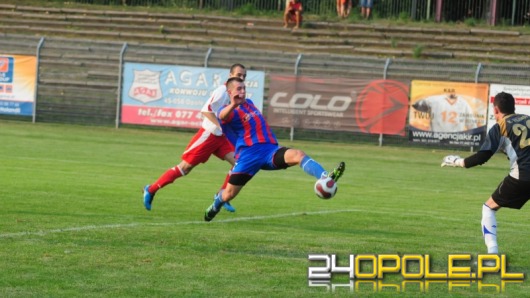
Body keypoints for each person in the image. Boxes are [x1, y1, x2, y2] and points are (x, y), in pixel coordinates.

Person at [203, 77, 346, 221]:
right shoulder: (227, 110)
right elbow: (222, 116)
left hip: (269, 151)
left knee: (298, 154)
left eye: (244, 88)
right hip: (248, 157)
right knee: (228, 194)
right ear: (230, 92)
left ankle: (325, 177)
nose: (243, 91)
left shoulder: (249, 104)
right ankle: (216, 204)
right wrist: (233, 104)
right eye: (239, 89)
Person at [142, 64, 248, 212]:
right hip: (209, 135)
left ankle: (221, 195)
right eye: (238, 74)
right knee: (185, 168)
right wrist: (221, 126)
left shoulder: (237, 94)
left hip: (221, 138)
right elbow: (206, 110)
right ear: (230, 75)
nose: (241, 77)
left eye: (243, 76)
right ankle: (151, 189)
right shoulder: (222, 91)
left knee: (239, 163)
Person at [441, 92, 530, 256]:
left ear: (496, 110)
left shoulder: (500, 126)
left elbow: (483, 156)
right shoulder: (527, 118)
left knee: (488, 208)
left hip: (522, 177)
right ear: (514, 107)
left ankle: (492, 254)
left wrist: (458, 162)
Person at [412, 91, 478, 132]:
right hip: (443, 136)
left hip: (454, 137)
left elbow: (471, 123)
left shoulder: (463, 103)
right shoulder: (434, 100)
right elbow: (417, 105)